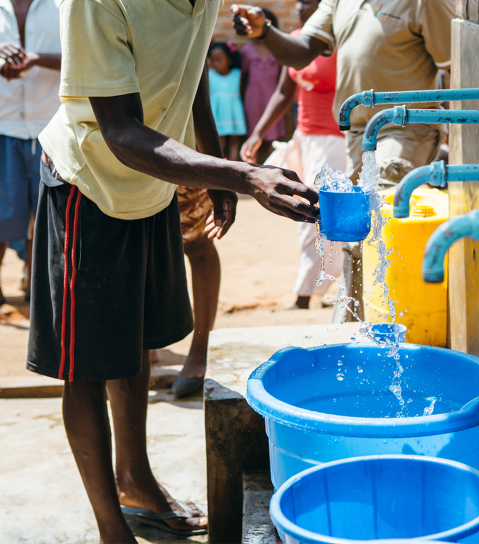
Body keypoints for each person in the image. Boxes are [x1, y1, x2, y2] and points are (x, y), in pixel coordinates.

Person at [27, 1, 318, 542]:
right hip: (88, 184)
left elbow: (190, 75)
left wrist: (216, 172)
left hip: (150, 185)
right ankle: (113, 528)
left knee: (135, 341)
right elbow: (117, 129)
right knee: (86, 367)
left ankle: (135, 480)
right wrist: (241, 175)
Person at [232, 0, 455, 321]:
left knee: (382, 221)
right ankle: (353, 323)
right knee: (354, 232)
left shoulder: (423, 3)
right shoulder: (340, 1)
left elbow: (453, 65)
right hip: (356, 134)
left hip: (404, 129)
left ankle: (396, 325)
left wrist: (451, 137)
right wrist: (264, 31)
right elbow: (301, 51)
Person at [240, 0, 344, 310]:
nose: (300, 7)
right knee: (304, 210)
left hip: (334, 141)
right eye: (298, 2)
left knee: (316, 214)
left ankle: (305, 295)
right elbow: (285, 92)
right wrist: (258, 133)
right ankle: (317, 287)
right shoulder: (296, 41)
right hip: (303, 138)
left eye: (308, 2)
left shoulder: (342, 43)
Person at [0, 0, 61, 306]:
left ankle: (33, 280)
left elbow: (84, 56)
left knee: (47, 214)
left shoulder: (63, 5)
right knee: (3, 210)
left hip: (51, 126)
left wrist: (37, 59)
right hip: (3, 123)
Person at [170, 186, 220, 398]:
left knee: (196, 239)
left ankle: (200, 349)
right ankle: (146, 342)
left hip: (180, 161)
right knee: (138, 240)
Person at [240, 9, 285, 164]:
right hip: (253, 98)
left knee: (273, 135)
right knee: (254, 134)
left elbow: (284, 79)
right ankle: (253, 168)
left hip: (273, 96)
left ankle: (275, 166)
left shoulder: (279, 50)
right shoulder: (247, 50)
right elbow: (243, 78)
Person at [208, 42, 246, 161]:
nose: (215, 63)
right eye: (213, 60)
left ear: (229, 60)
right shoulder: (210, 75)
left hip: (233, 112)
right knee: (220, 140)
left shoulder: (237, 75)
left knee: (234, 139)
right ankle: (220, 163)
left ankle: (233, 162)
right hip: (218, 113)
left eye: (219, 60)